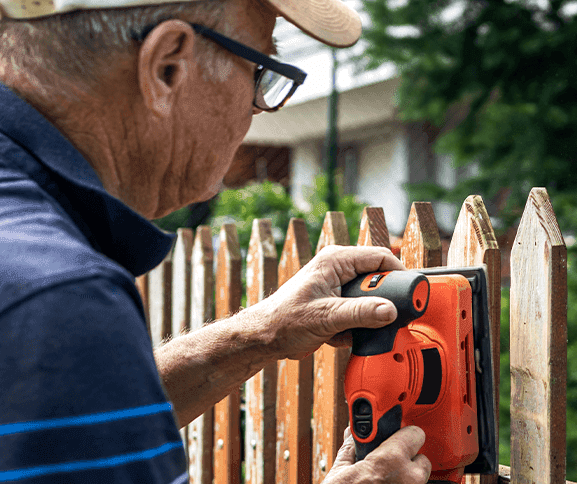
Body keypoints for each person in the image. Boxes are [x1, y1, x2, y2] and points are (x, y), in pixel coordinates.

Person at [0, 0, 432, 481]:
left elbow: (67, 416)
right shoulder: (58, 298)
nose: (257, 111)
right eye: (260, 73)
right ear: (167, 68)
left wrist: (260, 334)